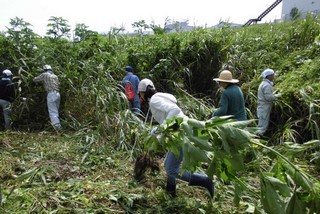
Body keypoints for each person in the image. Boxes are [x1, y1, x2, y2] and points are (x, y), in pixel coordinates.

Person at [138, 78, 214, 198]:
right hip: (179, 131)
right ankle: (170, 191)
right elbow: (169, 116)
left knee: (172, 169)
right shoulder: (160, 97)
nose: (141, 96)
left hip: (180, 132)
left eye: (140, 93)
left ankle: (205, 181)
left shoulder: (154, 100)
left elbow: (174, 111)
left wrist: (161, 129)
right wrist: (157, 131)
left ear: (143, 92)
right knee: (169, 163)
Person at [33, 65, 62, 130]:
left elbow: (35, 80)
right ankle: (58, 125)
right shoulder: (55, 76)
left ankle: (58, 128)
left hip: (51, 94)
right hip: (57, 94)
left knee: (52, 112)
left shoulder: (45, 74)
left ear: (44, 70)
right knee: (56, 111)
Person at [257, 68, 280, 136]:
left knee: (262, 122)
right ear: (269, 76)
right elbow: (268, 98)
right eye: (272, 75)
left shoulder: (264, 83)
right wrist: (277, 96)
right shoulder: (267, 85)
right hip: (264, 107)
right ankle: (259, 139)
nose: (273, 76)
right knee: (263, 125)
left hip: (262, 106)